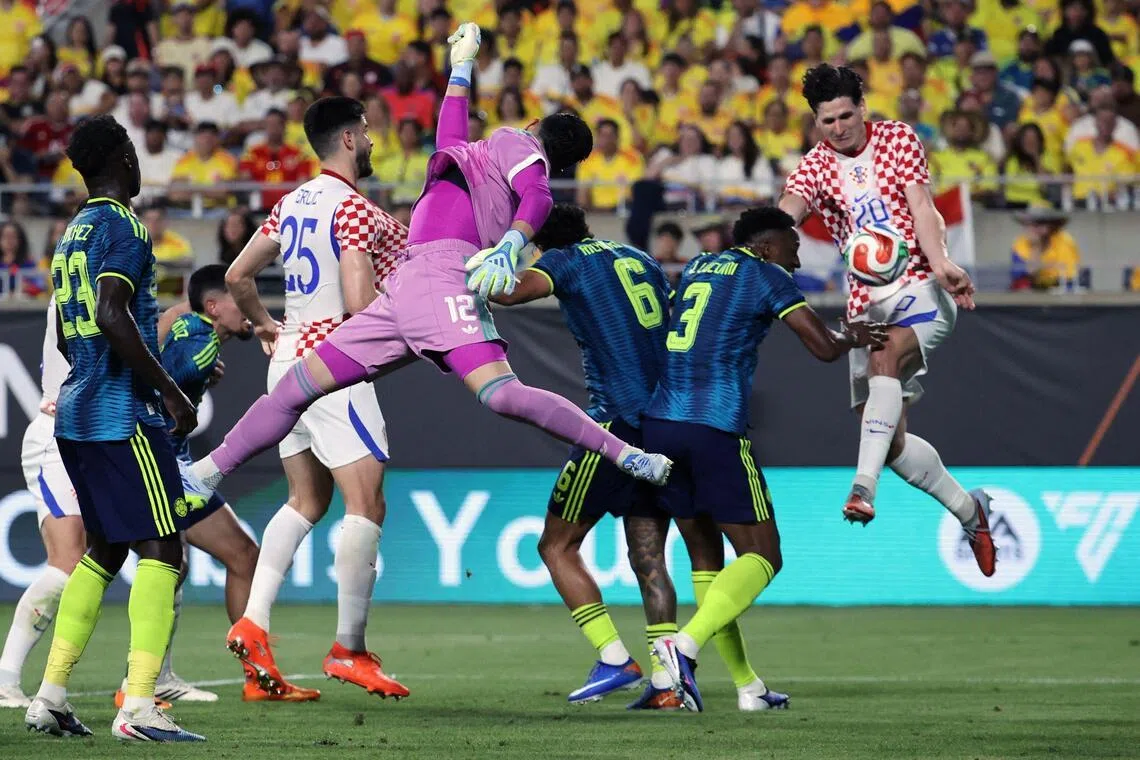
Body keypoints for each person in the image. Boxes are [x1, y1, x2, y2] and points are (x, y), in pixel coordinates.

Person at [184, 25, 670, 544]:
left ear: (534, 126)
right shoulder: (479, 159)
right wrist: (460, 69)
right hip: (411, 284)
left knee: (307, 391)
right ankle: (205, 473)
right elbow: (450, 138)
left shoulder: (517, 143)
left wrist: (511, 242)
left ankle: (626, 455)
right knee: (301, 389)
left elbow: (538, 197)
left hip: (438, 280)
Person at [648, 207, 887, 711]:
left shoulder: (698, 266)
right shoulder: (765, 274)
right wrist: (854, 335)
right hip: (713, 426)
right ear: (764, 247)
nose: (795, 261)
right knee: (764, 556)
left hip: (661, 425)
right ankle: (682, 646)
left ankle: (748, 688)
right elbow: (823, 348)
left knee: (707, 561)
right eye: (791, 249)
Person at [219, 95, 408, 702]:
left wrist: (264, 325)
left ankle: (253, 624)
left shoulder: (292, 201)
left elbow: (236, 277)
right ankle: (349, 648)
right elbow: (358, 303)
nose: (372, 141)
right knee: (366, 502)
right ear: (349, 138)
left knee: (306, 499)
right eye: (367, 132)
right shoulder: (351, 207)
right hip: (333, 363)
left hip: (287, 361)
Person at [22, 115, 204, 742]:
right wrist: (169, 390)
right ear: (125, 156)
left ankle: (49, 696)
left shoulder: (71, 233)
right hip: (121, 414)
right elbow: (110, 311)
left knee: (104, 550)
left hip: (76, 411)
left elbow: (70, 332)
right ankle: (141, 706)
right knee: (165, 549)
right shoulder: (124, 225)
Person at [776, 64, 996, 576]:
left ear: (863, 108)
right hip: (866, 305)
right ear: (816, 122)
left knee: (886, 356)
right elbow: (788, 211)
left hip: (921, 287)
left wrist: (941, 263)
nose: (838, 128)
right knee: (891, 444)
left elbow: (922, 207)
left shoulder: (898, 139)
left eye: (845, 115)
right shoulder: (814, 166)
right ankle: (971, 512)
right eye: (827, 120)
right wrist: (764, 238)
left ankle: (862, 489)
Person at [490, 204, 674, 706]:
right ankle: (667, 682)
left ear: (538, 243)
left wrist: (463, 268)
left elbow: (508, 292)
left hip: (614, 425)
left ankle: (614, 658)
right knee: (648, 557)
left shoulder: (565, 260)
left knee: (555, 546)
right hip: (663, 422)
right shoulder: (639, 257)